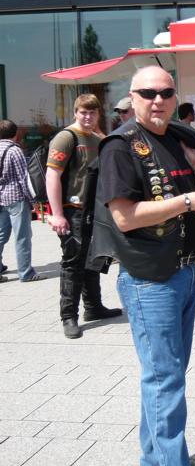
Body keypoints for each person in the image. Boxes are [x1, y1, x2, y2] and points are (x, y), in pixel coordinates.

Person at [92, 66, 195, 466]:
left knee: (165, 376)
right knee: (165, 379)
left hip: (183, 270)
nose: (158, 100)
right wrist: (190, 200)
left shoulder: (174, 137)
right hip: (150, 278)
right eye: (148, 93)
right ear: (131, 97)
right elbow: (125, 217)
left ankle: (157, 461)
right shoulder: (120, 146)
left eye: (166, 93)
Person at [46, 93, 121, 339]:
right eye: (83, 112)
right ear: (75, 113)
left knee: (93, 258)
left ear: (98, 114)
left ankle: (93, 307)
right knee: (73, 262)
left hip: (95, 210)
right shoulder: (66, 137)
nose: (87, 117)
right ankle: (69, 316)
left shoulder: (98, 139)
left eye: (92, 112)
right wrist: (57, 214)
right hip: (73, 210)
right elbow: (52, 175)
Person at [0, 120, 40, 283]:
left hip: (1, 198)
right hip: (16, 198)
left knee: (1, 234)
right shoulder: (14, 150)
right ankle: (26, 273)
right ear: (15, 134)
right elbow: (24, 178)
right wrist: (33, 200)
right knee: (22, 236)